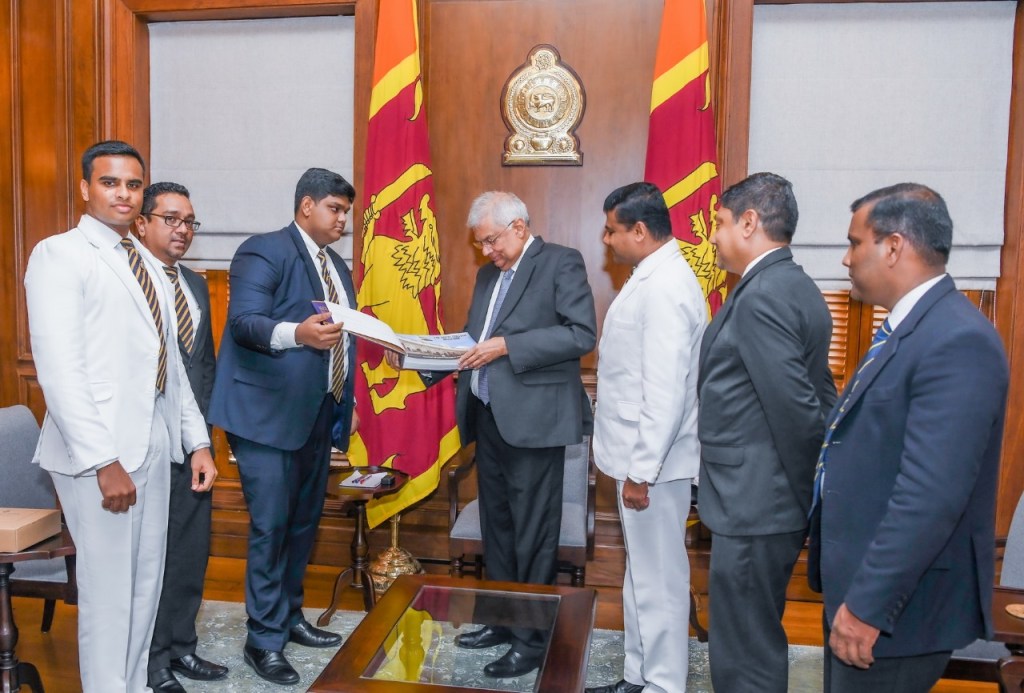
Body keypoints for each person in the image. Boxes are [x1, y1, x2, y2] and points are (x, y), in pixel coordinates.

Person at [24, 140, 215, 692]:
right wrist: (102, 460)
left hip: (153, 443)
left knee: (144, 589)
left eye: (133, 184)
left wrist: (196, 442)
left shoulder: (146, 263)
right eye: (110, 183)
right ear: (85, 189)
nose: (124, 193)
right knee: (110, 598)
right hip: (99, 457)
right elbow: (60, 370)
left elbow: (172, 369)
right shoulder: (60, 254)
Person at [808, 183, 1009, 692]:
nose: (846, 258)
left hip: (897, 611)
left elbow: (930, 496)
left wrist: (870, 605)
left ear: (893, 247)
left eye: (855, 243)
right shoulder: (912, 329)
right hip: (864, 592)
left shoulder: (956, 340)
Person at [206, 168, 359, 686]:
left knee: (301, 525)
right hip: (264, 418)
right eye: (335, 209)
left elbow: (344, 337)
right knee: (271, 528)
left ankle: (289, 617)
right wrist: (297, 333)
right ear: (306, 206)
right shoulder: (264, 250)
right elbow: (245, 322)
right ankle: (262, 640)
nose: (343, 221)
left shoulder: (336, 264)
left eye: (346, 212)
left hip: (317, 414)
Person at [444, 191, 596, 678]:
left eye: (491, 240)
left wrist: (509, 346)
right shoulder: (490, 275)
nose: (486, 251)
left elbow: (581, 334)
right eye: (481, 243)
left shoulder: (560, 262)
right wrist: (420, 358)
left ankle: (532, 638)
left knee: (533, 533)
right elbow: (474, 341)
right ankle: (501, 619)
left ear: (518, 227)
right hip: (489, 416)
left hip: (536, 421)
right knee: (500, 527)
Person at [697, 172, 836, 692]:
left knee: (744, 650)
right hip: (763, 496)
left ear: (749, 223)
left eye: (721, 222)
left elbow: (798, 410)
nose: (713, 235)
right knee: (749, 634)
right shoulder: (793, 284)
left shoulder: (762, 296)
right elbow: (820, 395)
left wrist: (803, 491)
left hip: (757, 500)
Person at [586, 183, 705, 693]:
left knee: (660, 581)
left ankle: (663, 685)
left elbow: (664, 393)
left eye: (612, 229)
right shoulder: (650, 276)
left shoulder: (665, 285)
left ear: (639, 230)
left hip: (655, 466)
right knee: (642, 578)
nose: (606, 238)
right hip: (641, 461)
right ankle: (639, 675)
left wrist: (641, 472)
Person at [135, 182, 227, 692]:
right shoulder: (128, 280)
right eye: (170, 219)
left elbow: (203, 368)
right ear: (142, 222)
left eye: (190, 220)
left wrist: (204, 442)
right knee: (151, 560)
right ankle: (152, 665)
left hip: (192, 447)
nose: (182, 229)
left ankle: (181, 648)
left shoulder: (193, 283)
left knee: (190, 551)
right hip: (144, 444)